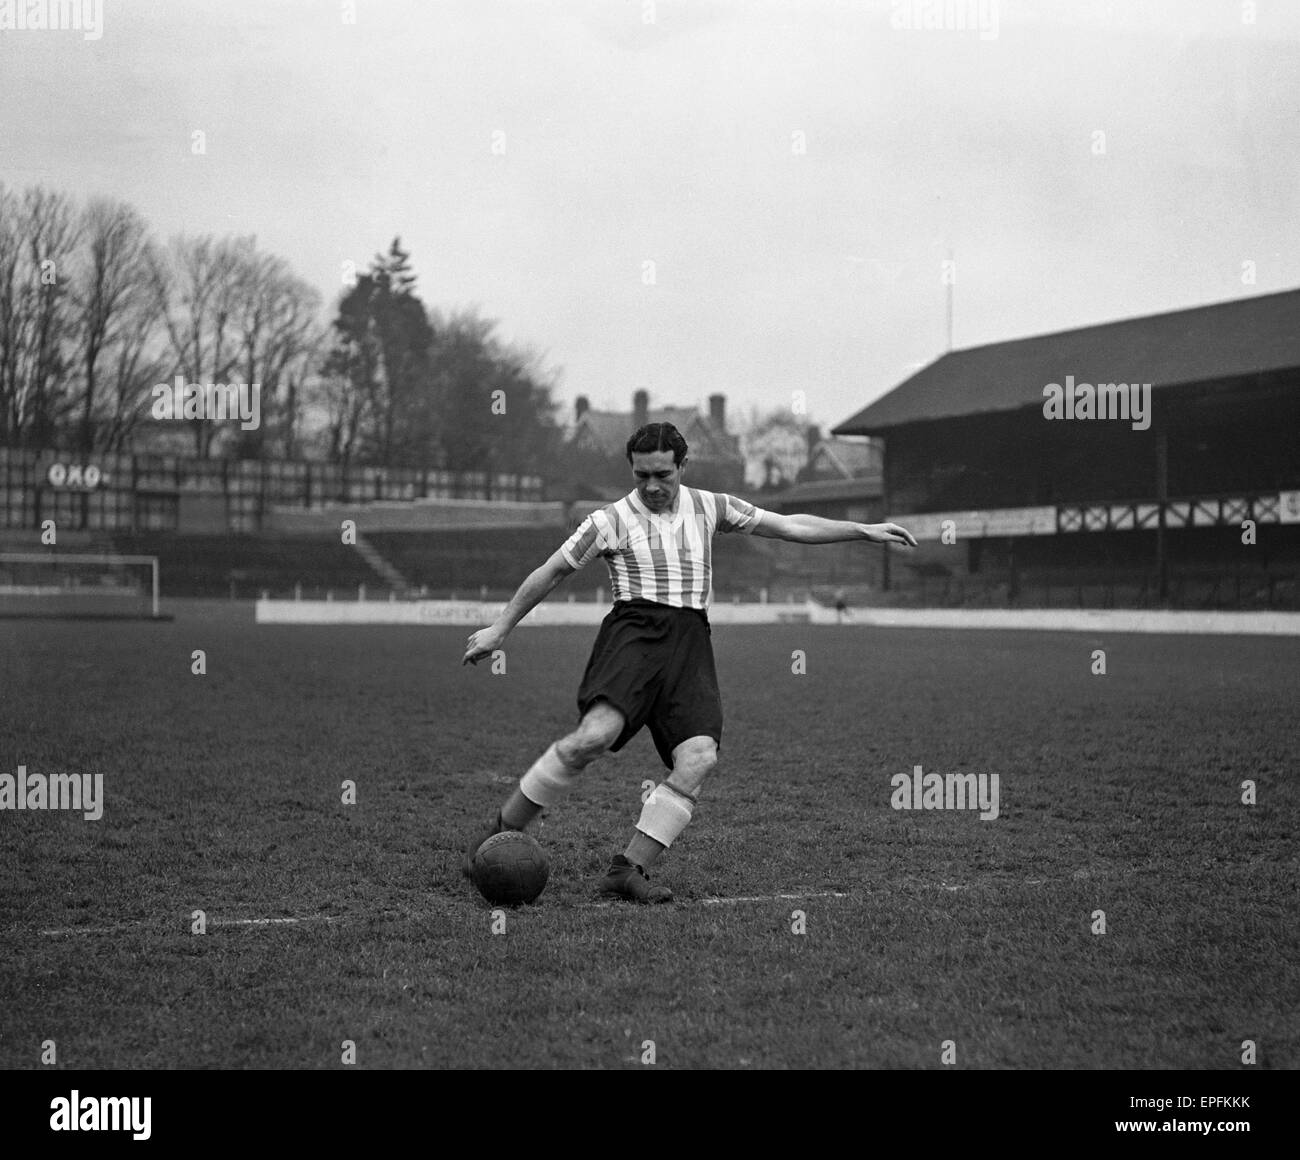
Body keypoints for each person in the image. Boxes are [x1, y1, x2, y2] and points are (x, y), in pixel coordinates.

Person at [461, 422, 916, 902]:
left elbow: (788, 525)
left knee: (698, 758)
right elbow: (550, 571)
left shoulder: (712, 506)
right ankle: (493, 840)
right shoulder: (607, 521)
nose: (652, 486)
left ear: (682, 465)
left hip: (691, 642)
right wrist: (500, 628)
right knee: (590, 740)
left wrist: (861, 530)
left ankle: (627, 869)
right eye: (642, 476)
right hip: (633, 636)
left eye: (663, 474)